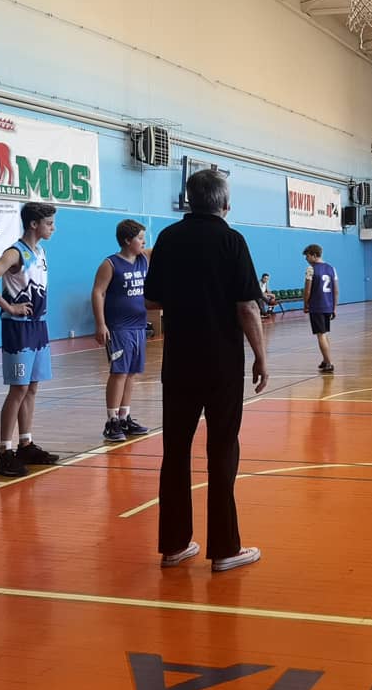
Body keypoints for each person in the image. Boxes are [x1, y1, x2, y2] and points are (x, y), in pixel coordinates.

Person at [144, 169, 268, 571]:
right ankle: (226, 549)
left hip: (179, 361)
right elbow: (247, 307)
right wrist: (261, 356)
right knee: (223, 448)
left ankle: (174, 545)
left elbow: (152, 301)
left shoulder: (167, 239)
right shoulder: (232, 241)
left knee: (175, 451)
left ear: (189, 200)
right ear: (225, 204)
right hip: (221, 363)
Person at [0, 202, 61, 478]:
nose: (53, 228)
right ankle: (4, 453)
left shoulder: (41, 251)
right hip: (19, 329)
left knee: (32, 387)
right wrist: (9, 307)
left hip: (39, 326)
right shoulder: (15, 253)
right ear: (34, 224)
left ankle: (25, 444)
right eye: (49, 223)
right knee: (18, 389)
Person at [91, 219, 152, 443]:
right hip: (119, 327)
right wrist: (101, 324)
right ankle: (112, 420)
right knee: (119, 373)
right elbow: (98, 292)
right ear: (127, 240)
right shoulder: (111, 264)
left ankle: (125, 417)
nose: (144, 242)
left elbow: (165, 246)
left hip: (139, 325)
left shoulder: (143, 258)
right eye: (140, 238)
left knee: (132, 372)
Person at [303, 244, 338, 373]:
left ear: (314, 255)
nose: (306, 259)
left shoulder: (311, 269)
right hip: (328, 306)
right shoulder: (331, 268)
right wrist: (334, 307)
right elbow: (336, 290)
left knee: (321, 335)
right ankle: (325, 359)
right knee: (324, 334)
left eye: (307, 256)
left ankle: (329, 363)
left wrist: (305, 304)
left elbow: (307, 290)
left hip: (317, 306)